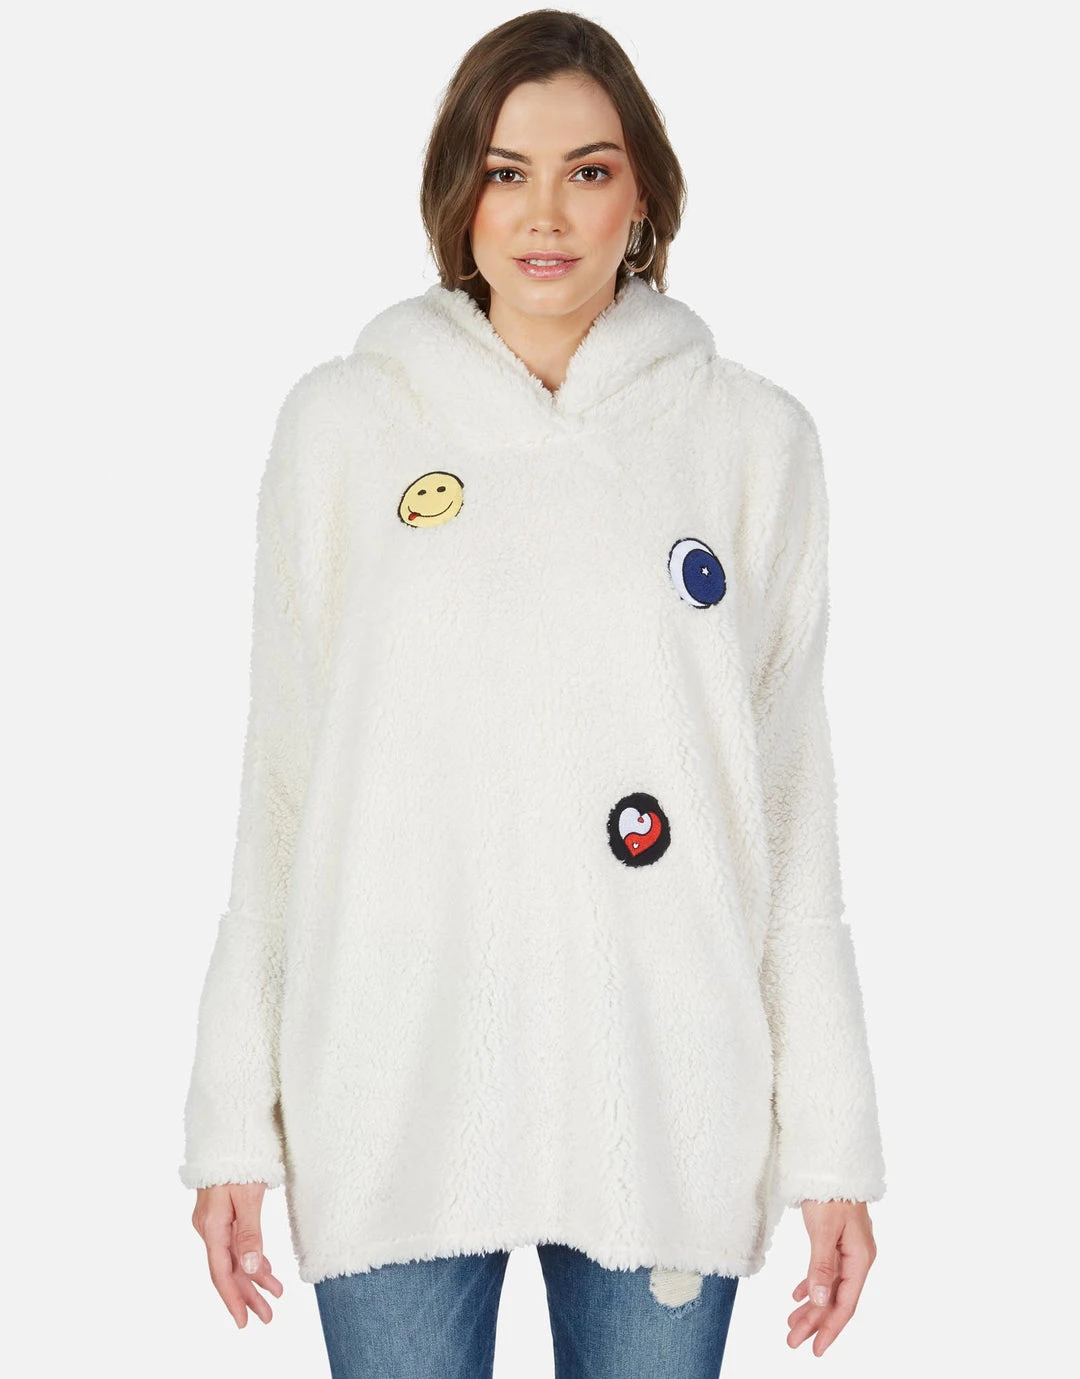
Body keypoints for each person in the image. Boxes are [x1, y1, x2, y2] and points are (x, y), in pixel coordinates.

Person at [179, 11, 887, 1377]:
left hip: (665, 1089)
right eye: (506, 172)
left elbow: (791, 812)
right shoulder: (346, 428)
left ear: (645, 197)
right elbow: (283, 782)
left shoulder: (749, 441)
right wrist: (230, 1118)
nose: (545, 215)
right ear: (460, 194)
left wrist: (831, 1148)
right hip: (389, 1076)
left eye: (589, 170)